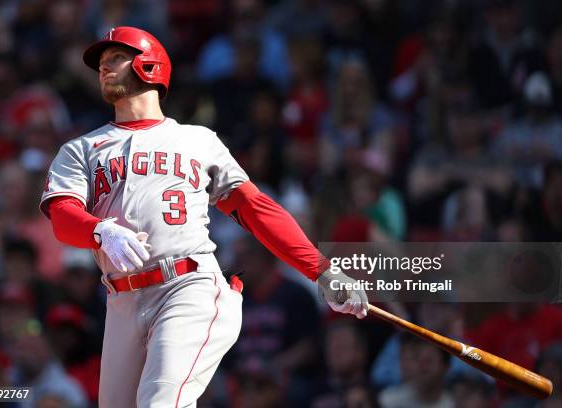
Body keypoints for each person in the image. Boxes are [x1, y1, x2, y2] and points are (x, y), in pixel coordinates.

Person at [40, 26, 368, 407]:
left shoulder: (197, 140)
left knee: (160, 403)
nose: (104, 67)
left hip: (187, 286)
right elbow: (62, 217)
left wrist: (322, 270)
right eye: (101, 63)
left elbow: (253, 208)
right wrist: (99, 232)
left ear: (149, 65)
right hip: (123, 301)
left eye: (115, 57)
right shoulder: (81, 148)